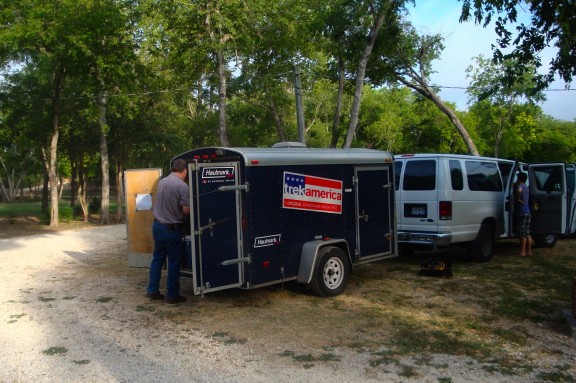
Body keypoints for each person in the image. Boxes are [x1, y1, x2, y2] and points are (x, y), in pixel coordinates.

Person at [146, 159, 190, 303]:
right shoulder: (182, 186)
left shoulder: (162, 182)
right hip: (172, 229)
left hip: (157, 226)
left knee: (157, 259)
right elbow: (186, 210)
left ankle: (152, 290)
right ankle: (172, 295)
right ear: (184, 171)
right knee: (174, 262)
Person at [514, 172, 533, 257]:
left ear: (519, 178)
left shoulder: (520, 187)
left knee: (522, 234)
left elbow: (518, 190)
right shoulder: (526, 187)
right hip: (528, 212)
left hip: (522, 212)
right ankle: (529, 251)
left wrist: (517, 198)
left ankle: (522, 252)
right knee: (528, 233)